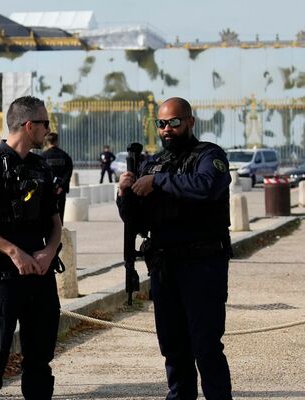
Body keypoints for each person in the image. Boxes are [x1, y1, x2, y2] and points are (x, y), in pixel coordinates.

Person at [117, 97, 233, 399]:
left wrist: (158, 181)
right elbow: (136, 221)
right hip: (165, 267)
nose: (167, 129)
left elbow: (206, 187)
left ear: (190, 122)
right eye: (162, 123)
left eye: (175, 122)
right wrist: (125, 193)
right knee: (173, 348)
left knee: (206, 347)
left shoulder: (209, 156)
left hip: (203, 265)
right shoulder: (152, 163)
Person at [0, 96, 62, 399]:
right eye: (45, 123)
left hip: (39, 278)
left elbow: (56, 223)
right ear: (29, 125)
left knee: (40, 360)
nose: (49, 129)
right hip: (3, 280)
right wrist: (12, 251)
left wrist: (49, 251)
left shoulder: (40, 166)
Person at [41, 132, 74, 222]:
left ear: (47, 142)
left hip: (47, 190)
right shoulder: (65, 156)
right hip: (61, 190)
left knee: (47, 211)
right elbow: (68, 172)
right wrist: (61, 186)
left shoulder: (43, 156)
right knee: (60, 211)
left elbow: (41, 174)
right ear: (57, 141)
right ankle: (60, 230)